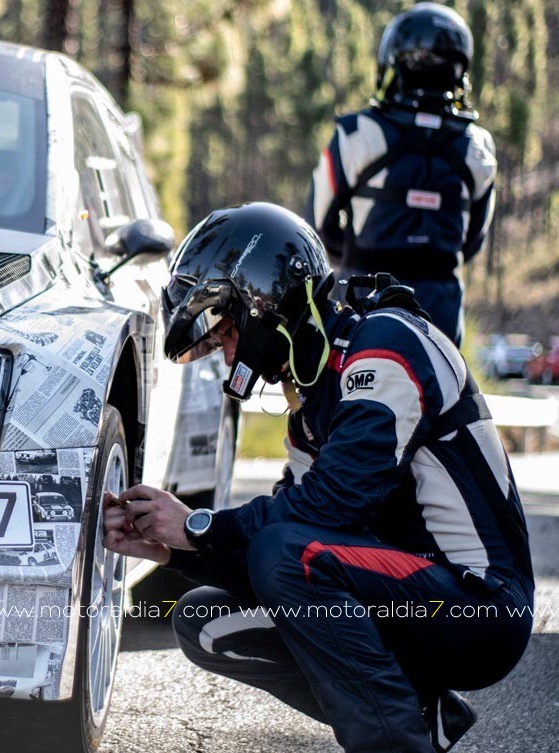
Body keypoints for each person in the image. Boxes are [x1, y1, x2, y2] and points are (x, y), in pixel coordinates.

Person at [105, 202, 533, 753]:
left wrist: (199, 526)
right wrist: (170, 547)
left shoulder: (388, 343)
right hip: (409, 596)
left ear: (263, 302)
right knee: (204, 618)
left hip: (480, 608)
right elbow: (286, 536)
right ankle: (420, 716)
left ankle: (393, 743)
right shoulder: (311, 402)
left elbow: (329, 508)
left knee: (286, 553)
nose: (224, 351)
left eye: (225, 331)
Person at [305, 2, 496, 347]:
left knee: (352, 396)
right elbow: (472, 242)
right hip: (440, 313)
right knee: (438, 397)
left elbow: (319, 225)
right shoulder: (479, 146)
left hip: (362, 304)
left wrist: (357, 255)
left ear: (392, 64)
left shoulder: (355, 133)